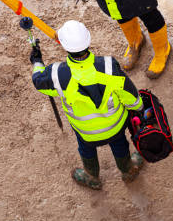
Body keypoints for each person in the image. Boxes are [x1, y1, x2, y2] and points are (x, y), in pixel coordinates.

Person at [30, 20, 144, 190]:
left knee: (86, 149)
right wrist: (139, 109)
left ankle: (92, 176)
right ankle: (128, 170)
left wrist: (37, 61)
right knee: (120, 145)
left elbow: (39, 82)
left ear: (65, 46)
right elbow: (131, 96)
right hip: (115, 126)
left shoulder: (56, 74)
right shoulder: (108, 65)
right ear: (88, 41)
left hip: (85, 131)